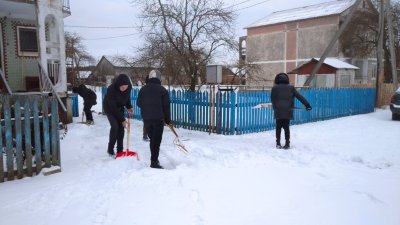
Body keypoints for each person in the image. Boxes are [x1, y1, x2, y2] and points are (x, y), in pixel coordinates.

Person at [137, 70, 171, 169]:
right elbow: (166, 107)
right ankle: (154, 162)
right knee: (156, 141)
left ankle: (154, 159)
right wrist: (168, 120)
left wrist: (147, 105)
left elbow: (139, 103)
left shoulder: (143, 89)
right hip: (158, 119)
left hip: (146, 119)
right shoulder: (162, 90)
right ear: (159, 79)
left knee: (153, 140)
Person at [271, 73, 312, 149]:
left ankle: (278, 143)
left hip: (278, 111)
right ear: (287, 79)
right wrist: (307, 105)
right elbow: (300, 97)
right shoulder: (291, 88)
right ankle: (287, 144)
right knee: (286, 127)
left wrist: (275, 108)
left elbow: (273, 100)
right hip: (288, 111)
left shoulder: (274, 88)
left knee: (278, 127)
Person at [103, 74, 134, 156]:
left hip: (119, 108)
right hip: (109, 108)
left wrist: (129, 106)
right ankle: (110, 148)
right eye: (122, 87)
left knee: (121, 128)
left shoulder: (128, 87)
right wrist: (122, 119)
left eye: (126, 87)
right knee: (115, 126)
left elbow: (127, 97)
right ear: (118, 84)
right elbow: (112, 107)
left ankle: (120, 150)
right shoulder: (111, 90)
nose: (124, 89)